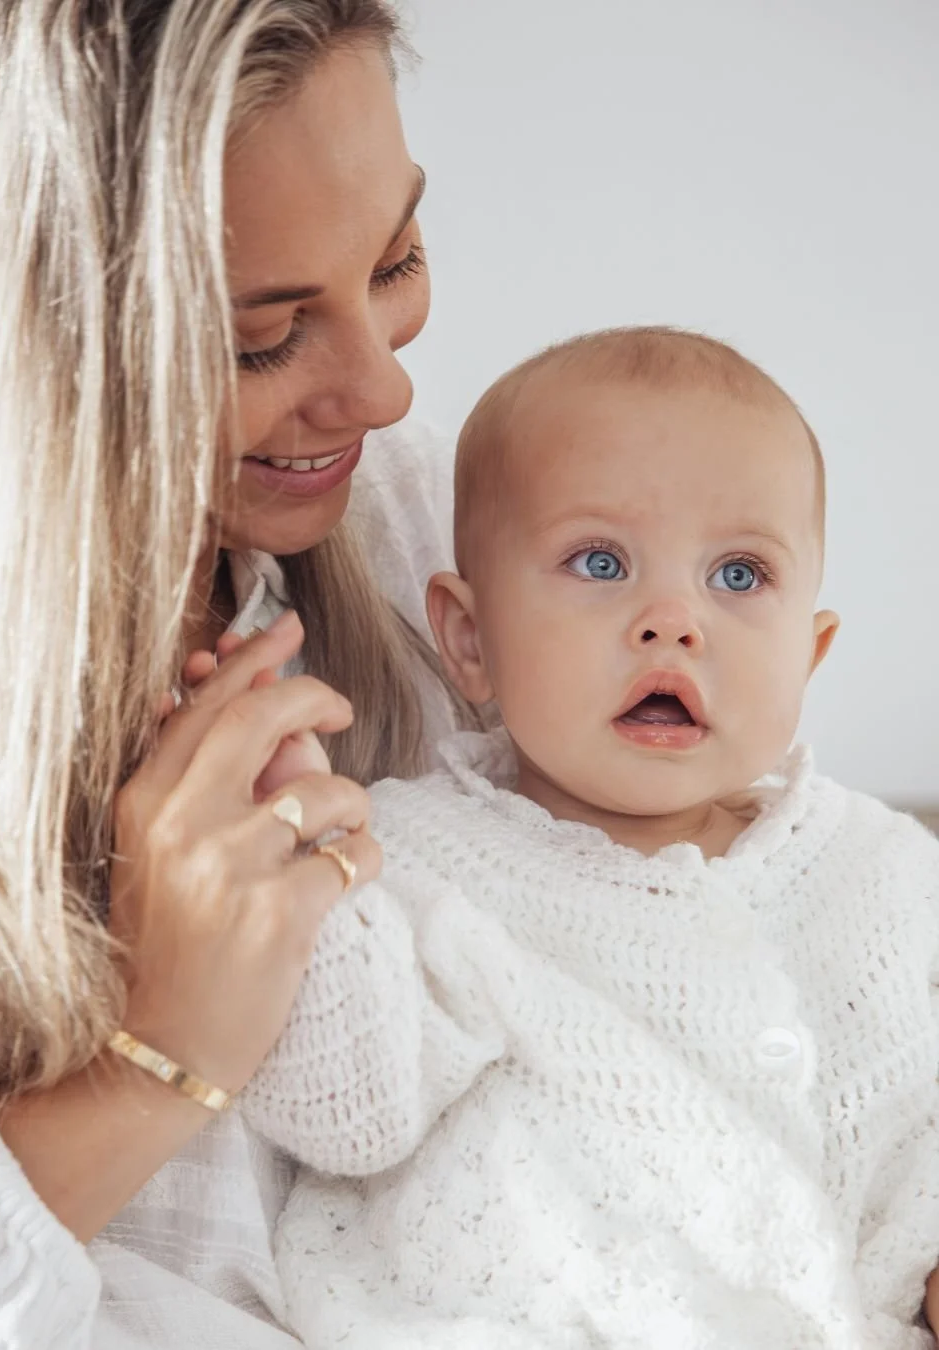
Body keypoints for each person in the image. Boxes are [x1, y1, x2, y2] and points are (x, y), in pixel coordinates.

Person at [0, 1, 461, 1345]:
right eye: (261, 339)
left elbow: (747, 877)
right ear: (22, 353)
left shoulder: (429, 537)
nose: (382, 390)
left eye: (400, 258)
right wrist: (153, 1054)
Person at [237, 328, 939, 1349]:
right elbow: (344, 1108)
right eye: (600, 562)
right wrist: (298, 847)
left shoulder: (888, 872)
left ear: (810, 652)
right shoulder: (410, 863)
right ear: (469, 641)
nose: (673, 621)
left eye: (739, 577)